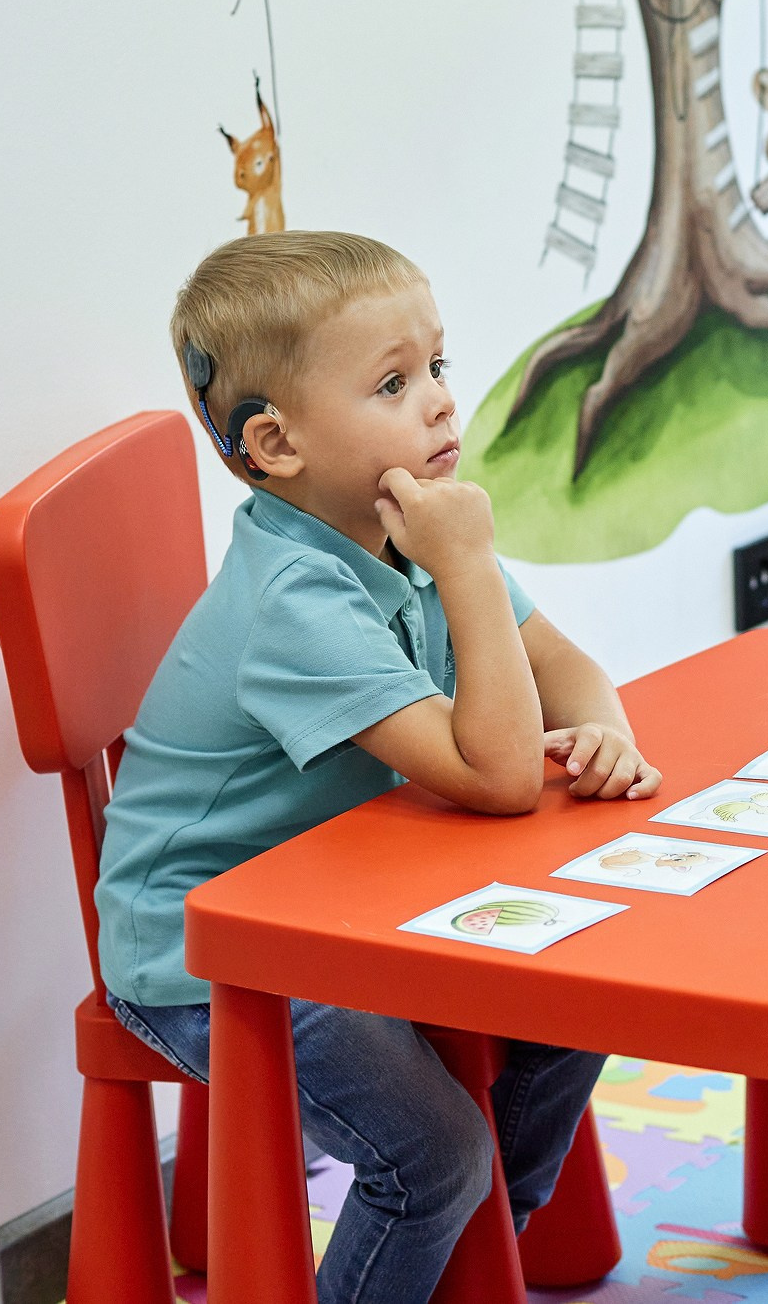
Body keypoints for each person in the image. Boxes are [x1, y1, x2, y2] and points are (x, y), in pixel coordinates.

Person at [95, 230, 663, 1304]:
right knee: (436, 1158)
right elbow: (492, 776)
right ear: (277, 441)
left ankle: (478, 1246)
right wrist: (467, 566)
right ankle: (451, 1221)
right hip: (207, 951)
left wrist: (608, 732)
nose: (442, 402)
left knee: (583, 996)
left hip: (341, 905)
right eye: (395, 382)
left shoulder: (399, 528)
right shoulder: (297, 600)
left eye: (438, 366)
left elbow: (567, 669)